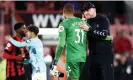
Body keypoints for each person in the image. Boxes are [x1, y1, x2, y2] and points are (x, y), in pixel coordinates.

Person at [51, 4, 90, 80]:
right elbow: (92, 34)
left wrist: (55, 60)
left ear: (63, 12)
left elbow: (61, 44)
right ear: (73, 12)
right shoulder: (83, 22)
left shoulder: (64, 24)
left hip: (72, 57)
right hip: (83, 57)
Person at [79, 2, 114, 80]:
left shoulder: (103, 19)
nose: (85, 12)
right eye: (84, 11)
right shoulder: (86, 22)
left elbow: (104, 34)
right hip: (93, 55)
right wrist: (83, 23)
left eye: (87, 10)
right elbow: (81, 39)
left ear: (94, 9)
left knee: (107, 78)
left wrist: (89, 29)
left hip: (105, 55)